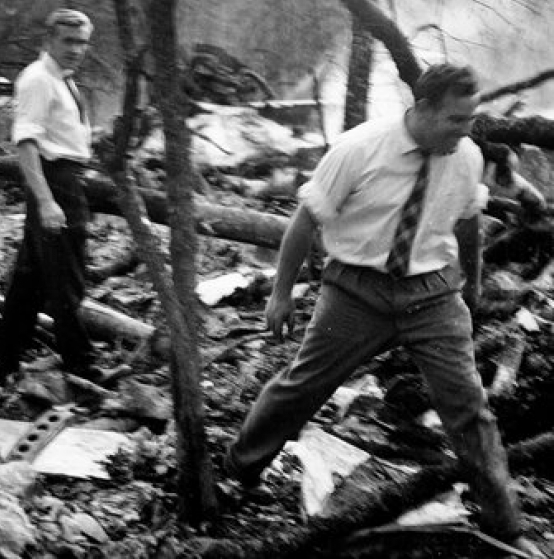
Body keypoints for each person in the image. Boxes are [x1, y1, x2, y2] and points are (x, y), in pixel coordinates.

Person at [223, 64, 543, 557]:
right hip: (356, 289)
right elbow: (306, 219)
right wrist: (280, 293)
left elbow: (465, 223)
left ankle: (506, 524)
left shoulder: (466, 157)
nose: (465, 130)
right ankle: (238, 470)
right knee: (303, 386)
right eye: (456, 119)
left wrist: (472, 286)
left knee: (467, 409)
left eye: (470, 119)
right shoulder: (359, 148)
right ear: (422, 109)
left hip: (432, 293)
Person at [0, 8, 125, 386]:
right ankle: (82, 364)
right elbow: (26, 143)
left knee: (28, 283)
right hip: (55, 185)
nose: (76, 50)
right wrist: (47, 201)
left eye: (82, 42)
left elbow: (60, 139)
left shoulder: (63, 82)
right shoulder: (38, 80)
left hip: (66, 179)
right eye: (68, 41)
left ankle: (4, 366)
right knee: (67, 277)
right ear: (48, 39)